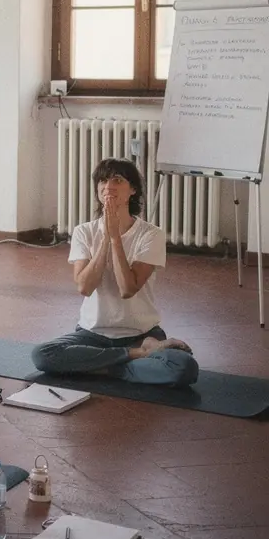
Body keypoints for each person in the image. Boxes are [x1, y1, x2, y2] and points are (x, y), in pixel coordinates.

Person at [31, 158, 199, 387]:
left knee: (184, 368)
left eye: (117, 180)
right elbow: (85, 287)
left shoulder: (151, 235)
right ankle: (133, 358)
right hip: (93, 334)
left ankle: (94, 367)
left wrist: (115, 238)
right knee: (42, 354)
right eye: (103, 180)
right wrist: (104, 241)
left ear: (133, 190)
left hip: (140, 333)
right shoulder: (84, 232)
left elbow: (127, 289)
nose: (108, 185)